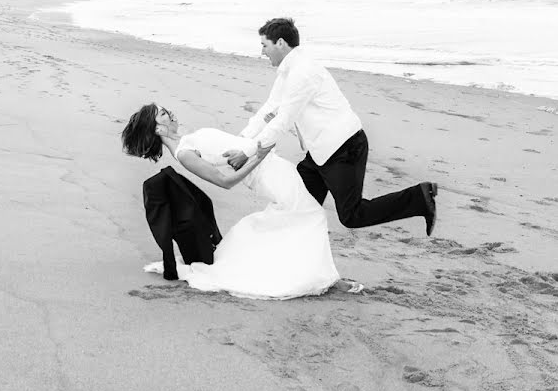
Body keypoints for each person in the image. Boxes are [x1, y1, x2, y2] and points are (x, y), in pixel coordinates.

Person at [122, 103, 362, 300]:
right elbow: (225, 182)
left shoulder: (189, 139)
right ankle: (328, 280)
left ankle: (315, 275)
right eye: (162, 114)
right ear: (158, 130)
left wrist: (261, 133)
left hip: (274, 167)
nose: (169, 112)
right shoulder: (184, 154)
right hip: (266, 175)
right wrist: (260, 154)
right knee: (311, 215)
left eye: (165, 109)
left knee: (302, 216)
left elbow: (234, 148)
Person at [224, 18, 438, 235]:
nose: (262, 52)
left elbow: (282, 120)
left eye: (264, 45)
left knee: (352, 215)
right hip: (319, 152)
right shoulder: (287, 72)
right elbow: (269, 109)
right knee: (297, 204)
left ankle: (420, 197)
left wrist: (247, 152)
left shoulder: (302, 72)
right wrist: (241, 140)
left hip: (343, 148)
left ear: (280, 43)